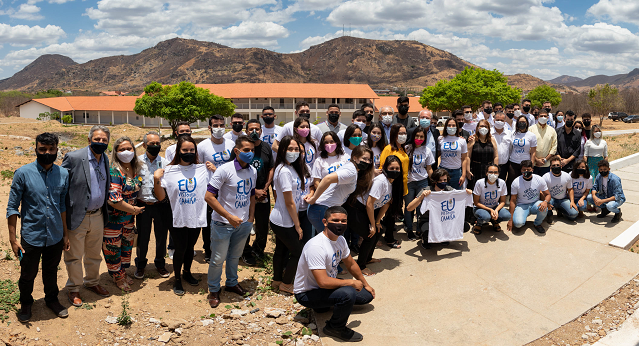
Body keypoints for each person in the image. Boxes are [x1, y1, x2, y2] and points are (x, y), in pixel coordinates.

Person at [7, 132, 70, 322]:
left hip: (55, 235)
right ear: (36, 149)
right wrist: (13, 239)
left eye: (51, 149)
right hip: (31, 236)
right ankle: (26, 303)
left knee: (51, 271)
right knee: (27, 274)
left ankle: (52, 300)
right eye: (42, 149)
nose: (47, 153)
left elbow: (62, 205)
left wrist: (65, 234)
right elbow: (12, 206)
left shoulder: (63, 174)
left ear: (57, 150)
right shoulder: (23, 173)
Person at [293, 206, 375, 343]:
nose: (340, 224)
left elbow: (351, 264)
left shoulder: (340, 240)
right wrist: (350, 282)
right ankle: (335, 327)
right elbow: (323, 282)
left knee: (366, 296)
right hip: (307, 293)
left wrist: (366, 284)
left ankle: (324, 305)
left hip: (324, 287)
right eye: (335, 220)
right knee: (348, 292)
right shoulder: (316, 246)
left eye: (344, 221)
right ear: (325, 222)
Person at [205, 136, 258, 307]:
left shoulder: (253, 171)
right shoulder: (224, 170)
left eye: (252, 150)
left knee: (235, 256)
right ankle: (213, 289)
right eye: (246, 150)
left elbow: (251, 195)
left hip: (243, 224)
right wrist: (229, 216)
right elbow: (209, 197)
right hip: (222, 223)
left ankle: (231, 283)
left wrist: (250, 217)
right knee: (218, 259)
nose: (250, 153)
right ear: (237, 151)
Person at [62, 125, 111, 307]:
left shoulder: (104, 158)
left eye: (104, 140)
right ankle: (74, 288)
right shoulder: (74, 158)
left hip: (97, 215)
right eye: (97, 139)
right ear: (89, 140)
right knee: (74, 256)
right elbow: (62, 185)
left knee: (94, 253)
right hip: (78, 215)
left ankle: (92, 282)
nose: (100, 143)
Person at [154, 136, 209, 295]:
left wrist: (213, 170)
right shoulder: (169, 171)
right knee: (180, 248)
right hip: (177, 217)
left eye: (192, 150)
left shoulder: (202, 169)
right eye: (185, 150)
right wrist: (157, 179)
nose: (189, 153)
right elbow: (160, 197)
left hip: (196, 216)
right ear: (178, 151)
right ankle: (177, 278)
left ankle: (187, 272)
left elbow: (217, 183)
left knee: (190, 247)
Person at [103, 136, 143, 292]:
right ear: (115, 152)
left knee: (126, 247)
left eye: (129, 149)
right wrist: (134, 209)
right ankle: (118, 277)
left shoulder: (136, 169)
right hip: (114, 218)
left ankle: (122, 272)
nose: (126, 152)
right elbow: (114, 200)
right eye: (122, 149)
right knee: (113, 248)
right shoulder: (114, 170)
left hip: (129, 218)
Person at [270, 136, 308, 294]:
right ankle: (286, 284)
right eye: (290, 149)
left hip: (282, 218)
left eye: (296, 149)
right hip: (284, 221)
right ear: (282, 150)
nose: (293, 152)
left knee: (281, 250)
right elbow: (289, 202)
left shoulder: (291, 167)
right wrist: (297, 225)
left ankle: (277, 280)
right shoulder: (284, 171)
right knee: (297, 252)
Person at [305, 146, 374, 234]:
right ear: (355, 158)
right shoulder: (351, 171)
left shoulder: (351, 168)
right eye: (364, 158)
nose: (367, 162)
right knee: (328, 242)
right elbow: (327, 179)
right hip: (322, 209)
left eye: (369, 160)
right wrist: (314, 199)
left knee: (331, 241)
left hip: (324, 208)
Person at [349, 156, 399, 275]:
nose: (395, 170)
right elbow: (369, 203)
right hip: (356, 208)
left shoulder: (392, 183)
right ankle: (360, 266)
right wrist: (372, 224)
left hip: (368, 209)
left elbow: (386, 203)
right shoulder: (381, 181)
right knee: (369, 234)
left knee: (378, 231)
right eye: (392, 168)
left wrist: (377, 222)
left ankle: (368, 258)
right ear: (385, 168)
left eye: (397, 168)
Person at [234, 120, 274, 265]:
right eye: (251, 129)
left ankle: (258, 250)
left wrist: (266, 187)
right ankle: (244, 252)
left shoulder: (266, 147)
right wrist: (253, 191)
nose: (254, 132)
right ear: (246, 131)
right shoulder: (241, 149)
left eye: (257, 129)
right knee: (245, 224)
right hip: (245, 194)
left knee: (263, 225)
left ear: (261, 131)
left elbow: (271, 167)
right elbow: (236, 171)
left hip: (263, 194)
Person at [197, 114, 236, 261]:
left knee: (227, 217)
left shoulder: (231, 144)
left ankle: (227, 248)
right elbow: (199, 168)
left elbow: (234, 166)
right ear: (209, 128)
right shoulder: (202, 147)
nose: (219, 128)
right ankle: (208, 249)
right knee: (209, 222)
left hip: (228, 189)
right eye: (216, 125)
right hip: (211, 190)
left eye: (222, 125)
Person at [135, 131, 171, 280]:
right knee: (143, 237)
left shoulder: (165, 163)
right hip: (142, 205)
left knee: (161, 236)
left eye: (158, 143)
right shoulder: (136, 162)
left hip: (160, 205)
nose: (155, 146)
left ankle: (160, 264)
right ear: (144, 145)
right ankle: (141, 265)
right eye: (152, 144)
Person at [405, 168, 472, 249]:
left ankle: (444, 237)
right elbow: (409, 208)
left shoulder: (449, 190)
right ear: (435, 181)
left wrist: (467, 193)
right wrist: (421, 197)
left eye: (445, 180)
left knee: (465, 226)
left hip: (444, 220)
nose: (443, 182)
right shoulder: (427, 191)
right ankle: (425, 239)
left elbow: (460, 197)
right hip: (428, 221)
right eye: (440, 180)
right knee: (427, 232)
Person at [379, 124, 411, 244]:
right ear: (394, 135)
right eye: (400, 133)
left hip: (402, 185)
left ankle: (386, 229)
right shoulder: (388, 149)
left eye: (404, 133)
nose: (403, 136)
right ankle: (389, 238)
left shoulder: (403, 149)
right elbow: (383, 167)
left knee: (394, 210)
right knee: (391, 211)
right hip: (392, 185)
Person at [404, 126, 434, 237]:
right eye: (417, 136)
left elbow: (429, 168)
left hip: (423, 182)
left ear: (425, 138)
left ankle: (419, 228)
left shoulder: (427, 150)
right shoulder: (407, 148)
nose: (419, 138)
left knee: (421, 207)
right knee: (409, 207)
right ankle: (409, 229)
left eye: (421, 136)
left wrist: (433, 181)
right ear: (413, 136)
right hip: (409, 183)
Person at [507, 160, 550, 234]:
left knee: (543, 207)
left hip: (535, 203)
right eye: (524, 170)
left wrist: (545, 202)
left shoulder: (539, 179)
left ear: (532, 170)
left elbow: (548, 194)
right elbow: (513, 201)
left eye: (529, 170)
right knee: (518, 224)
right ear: (521, 170)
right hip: (522, 205)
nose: (526, 171)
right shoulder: (516, 182)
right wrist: (510, 220)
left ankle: (537, 224)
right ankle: (522, 216)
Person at [471, 164, 510, 234]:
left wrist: (496, 210)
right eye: (490, 172)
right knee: (485, 217)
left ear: (498, 174)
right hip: (480, 208)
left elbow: (503, 201)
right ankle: (479, 223)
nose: (493, 174)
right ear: (486, 173)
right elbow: (476, 202)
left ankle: (495, 221)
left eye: (495, 172)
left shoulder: (502, 183)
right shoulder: (480, 183)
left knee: (507, 216)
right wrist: (490, 210)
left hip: (495, 206)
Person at [543, 156, 578, 224]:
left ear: (561, 166)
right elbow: (542, 191)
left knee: (574, 214)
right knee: (544, 206)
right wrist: (545, 202)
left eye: (558, 165)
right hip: (551, 199)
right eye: (553, 165)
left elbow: (570, 189)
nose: (556, 167)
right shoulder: (545, 177)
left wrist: (572, 202)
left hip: (563, 199)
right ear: (550, 167)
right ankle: (549, 214)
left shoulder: (567, 176)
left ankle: (560, 210)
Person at [506, 115, 537, 191]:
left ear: (527, 123)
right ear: (517, 123)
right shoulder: (512, 133)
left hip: (525, 164)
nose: (522, 124)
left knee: (524, 182)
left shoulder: (532, 135)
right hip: (513, 162)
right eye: (520, 122)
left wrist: (531, 164)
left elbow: (533, 152)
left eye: (524, 122)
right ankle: (511, 198)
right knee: (512, 182)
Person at [467, 119, 498, 190]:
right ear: (477, 128)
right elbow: (468, 156)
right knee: (475, 190)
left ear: (489, 129)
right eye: (481, 126)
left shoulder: (492, 140)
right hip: (475, 169)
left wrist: (496, 170)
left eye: (486, 126)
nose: (483, 128)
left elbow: (496, 156)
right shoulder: (473, 139)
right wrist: (468, 170)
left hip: (489, 170)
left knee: (488, 189)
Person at [438, 117, 469, 190]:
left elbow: (464, 159)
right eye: (449, 125)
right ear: (446, 127)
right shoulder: (440, 139)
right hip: (443, 171)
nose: (451, 127)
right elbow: (438, 155)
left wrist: (463, 175)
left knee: (456, 195)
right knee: (443, 194)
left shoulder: (462, 140)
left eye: (453, 125)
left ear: (457, 127)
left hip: (457, 172)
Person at [529, 110, 557, 176]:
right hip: (534, 163)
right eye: (541, 116)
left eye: (545, 116)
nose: (543, 117)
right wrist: (536, 159)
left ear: (548, 118)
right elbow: (528, 146)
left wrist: (545, 159)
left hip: (546, 164)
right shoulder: (531, 129)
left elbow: (554, 147)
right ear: (537, 117)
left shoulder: (552, 130)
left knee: (544, 183)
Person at [492, 111, 512, 182]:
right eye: (497, 120)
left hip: (504, 166)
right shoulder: (489, 133)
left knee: (501, 184)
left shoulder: (509, 133)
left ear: (505, 121)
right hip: (491, 165)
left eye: (501, 120)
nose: (499, 122)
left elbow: (510, 149)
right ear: (494, 120)